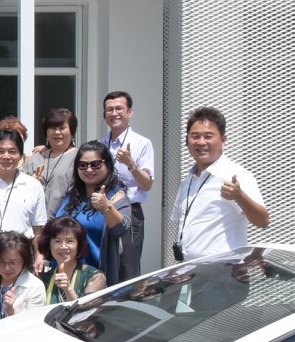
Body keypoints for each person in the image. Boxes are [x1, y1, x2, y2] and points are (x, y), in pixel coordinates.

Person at [169, 106, 269, 261]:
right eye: (195, 136)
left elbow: (263, 221)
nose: (201, 142)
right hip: (190, 269)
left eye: (208, 136)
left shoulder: (236, 175)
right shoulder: (188, 180)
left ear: (223, 140)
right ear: (187, 140)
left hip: (224, 269)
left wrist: (239, 196)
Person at [55, 139, 129, 282]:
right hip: (62, 274)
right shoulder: (72, 194)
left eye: (95, 164)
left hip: (94, 278)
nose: (89, 170)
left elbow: (121, 230)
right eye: (83, 165)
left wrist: (106, 207)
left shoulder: (116, 196)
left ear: (108, 165)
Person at [102, 91, 156, 280]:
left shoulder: (142, 143)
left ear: (130, 112)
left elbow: (147, 184)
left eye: (119, 108)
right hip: (104, 210)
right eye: (109, 109)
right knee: (105, 265)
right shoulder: (101, 144)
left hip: (130, 211)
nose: (114, 113)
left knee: (127, 267)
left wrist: (130, 163)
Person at [37, 215, 106, 305]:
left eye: (69, 241)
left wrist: (68, 290)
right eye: (58, 241)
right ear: (48, 244)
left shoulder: (95, 277)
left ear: (79, 245)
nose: (63, 247)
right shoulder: (43, 280)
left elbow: (88, 310)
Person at [0, 230, 45, 323]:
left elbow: (33, 323)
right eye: (1, 262)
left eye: (13, 262)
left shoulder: (35, 286)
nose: (7, 268)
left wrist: (12, 311)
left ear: (24, 260)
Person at [29, 106, 78, 215]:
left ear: (72, 131)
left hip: (65, 220)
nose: (57, 132)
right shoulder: (34, 160)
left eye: (62, 128)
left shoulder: (80, 158)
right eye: (52, 128)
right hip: (33, 220)